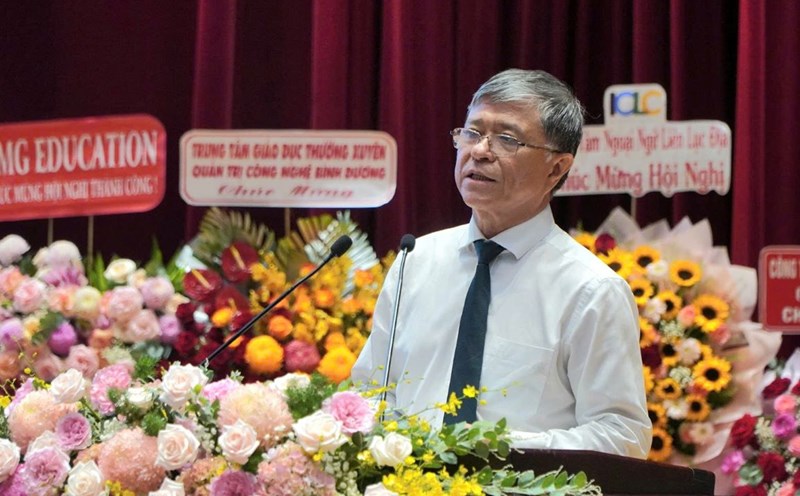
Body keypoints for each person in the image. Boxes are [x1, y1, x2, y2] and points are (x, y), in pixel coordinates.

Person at [351, 68, 651, 459]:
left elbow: (622, 435)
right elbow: (368, 393)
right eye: (472, 133)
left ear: (557, 168)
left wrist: (503, 452)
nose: (480, 151)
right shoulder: (416, 260)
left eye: (507, 139)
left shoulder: (590, 289)